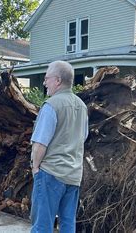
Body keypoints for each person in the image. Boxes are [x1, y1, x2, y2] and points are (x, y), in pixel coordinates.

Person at [30, 60, 89, 233]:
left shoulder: (51, 106)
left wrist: (35, 168)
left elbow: (40, 144)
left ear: (57, 80)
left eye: (46, 78)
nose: (44, 82)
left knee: (42, 226)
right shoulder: (82, 107)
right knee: (67, 225)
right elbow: (82, 138)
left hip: (51, 174)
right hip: (73, 175)